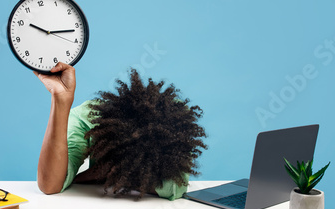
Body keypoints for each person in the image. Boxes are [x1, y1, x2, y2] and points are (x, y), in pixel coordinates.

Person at [35, 62, 207, 200]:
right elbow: (50, 184)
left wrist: (100, 173)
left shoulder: (172, 123)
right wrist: (60, 99)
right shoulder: (86, 119)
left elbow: (175, 187)